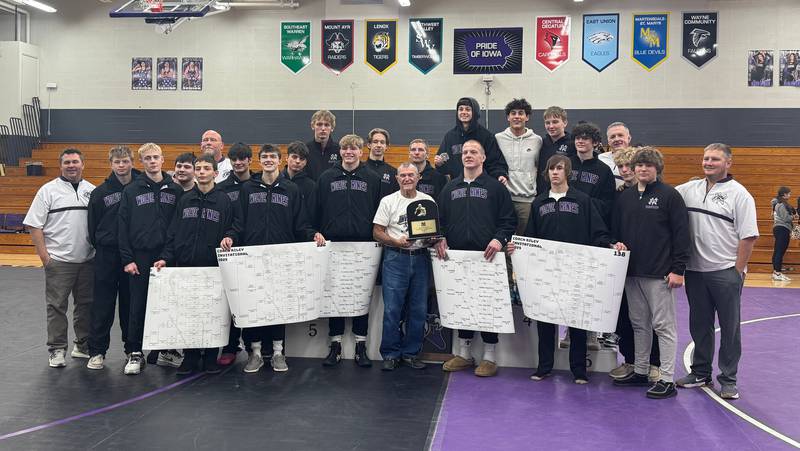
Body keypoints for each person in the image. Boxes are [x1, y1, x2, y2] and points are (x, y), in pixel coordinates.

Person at [508, 154, 610, 384]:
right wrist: (519, 247)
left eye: (559, 168)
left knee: (577, 322)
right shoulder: (539, 202)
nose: (555, 172)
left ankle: (579, 370)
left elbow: (597, 232)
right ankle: (544, 366)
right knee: (545, 320)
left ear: (568, 173)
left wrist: (610, 245)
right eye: (551, 169)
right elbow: (530, 238)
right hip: (547, 272)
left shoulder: (582, 201)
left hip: (575, 270)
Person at [225, 144, 323, 373]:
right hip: (253, 257)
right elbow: (239, 222)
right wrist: (230, 236)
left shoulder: (291, 189)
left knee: (279, 306)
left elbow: (300, 224)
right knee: (255, 305)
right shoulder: (248, 189)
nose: (268, 160)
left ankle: (278, 352)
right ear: (259, 161)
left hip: (281, 259)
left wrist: (313, 234)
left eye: (273, 156)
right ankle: (256, 353)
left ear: (280, 160)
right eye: (265, 157)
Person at [675, 143, 759, 400]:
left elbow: (748, 237)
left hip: (725, 272)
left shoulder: (740, 195)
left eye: (714, 159)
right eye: (705, 158)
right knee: (699, 325)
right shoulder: (688, 190)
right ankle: (700, 372)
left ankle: (729, 379)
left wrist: (737, 271)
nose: (708, 162)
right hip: (695, 272)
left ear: (728, 163)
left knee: (730, 328)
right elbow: (663, 197)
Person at [612, 147, 690, 399]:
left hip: (660, 275)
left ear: (657, 168)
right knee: (638, 324)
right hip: (632, 273)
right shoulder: (624, 197)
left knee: (663, 326)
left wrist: (678, 270)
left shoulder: (670, 196)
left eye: (648, 165)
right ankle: (641, 370)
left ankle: (667, 379)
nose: (643, 169)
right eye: (639, 165)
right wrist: (616, 244)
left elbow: (682, 235)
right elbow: (616, 231)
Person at [435, 139, 516, 377]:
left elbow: (508, 220)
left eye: (474, 152)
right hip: (457, 257)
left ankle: (490, 357)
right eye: (466, 152)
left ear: (483, 158)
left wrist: (498, 239)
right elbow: (440, 221)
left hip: (487, 257)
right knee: (462, 302)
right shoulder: (449, 188)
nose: (468, 155)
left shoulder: (496, 188)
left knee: (487, 304)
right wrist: (440, 237)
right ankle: (464, 353)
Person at [153, 155, 234, 375]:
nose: (201, 172)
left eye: (207, 168)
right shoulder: (185, 199)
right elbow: (173, 233)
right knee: (188, 313)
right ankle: (189, 357)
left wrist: (229, 236)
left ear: (215, 173)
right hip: (186, 266)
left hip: (212, 267)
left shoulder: (224, 201)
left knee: (211, 313)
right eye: (198, 168)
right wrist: (166, 257)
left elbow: (232, 228)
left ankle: (209, 357)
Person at [24, 148, 96, 368]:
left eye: (75, 162)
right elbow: (34, 224)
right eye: (67, 162)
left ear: (83, 164)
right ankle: (57, 349)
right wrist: (45, 257)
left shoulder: (92, 190)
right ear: (60, 165)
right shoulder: (48, 191)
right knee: (56, 306)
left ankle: (82, 345)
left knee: (86, 305)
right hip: (59, 261)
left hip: (88, 260)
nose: (71, 165)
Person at [315, 134, 382, 368]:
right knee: (335, 295)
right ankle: (335, 345)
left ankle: (361, 346)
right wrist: (318, 232)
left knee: (360, 295)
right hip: (334, 246)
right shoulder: (326, 177)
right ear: (340, 152)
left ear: (361, 152)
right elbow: (318, 208)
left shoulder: (372, 178)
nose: (349, 152)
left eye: (354, 148)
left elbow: (378, 212)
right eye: (345, 149)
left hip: (363, 247)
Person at [118, 143, 182, 375]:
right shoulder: (132, 190)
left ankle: (167, 350)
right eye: (147, 158)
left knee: (168, 305)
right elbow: (122, 227)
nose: (152, 161)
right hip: (140, 257)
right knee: (138, 305)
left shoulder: (174, 190)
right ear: (141, 162)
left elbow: (177, 227)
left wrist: (168, 255)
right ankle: (135, 352)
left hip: (166, 257)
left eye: (156, 157)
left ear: (163, 160)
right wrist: (127, 258)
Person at [607, 148, 661, 382]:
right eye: (622, 167)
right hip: (623, 267)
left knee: (651, 318)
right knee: (624, 318)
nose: (626, 171)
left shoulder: (658, 193)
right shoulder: (619, 195)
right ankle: (631, 361)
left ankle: (655, 364)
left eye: (630, 165)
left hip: (650, 266)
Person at [373, 163, 434, 371]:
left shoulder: (428, 201)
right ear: (397, 178)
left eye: (411, 175)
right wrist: (395, 241)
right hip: (395, 257)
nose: (407, 178)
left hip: (420, 258)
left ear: (419, 178)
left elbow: (434, 231)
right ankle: (390, 353)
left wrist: (432, 239)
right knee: (392, 309)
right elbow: (377, 232)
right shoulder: (388, 201)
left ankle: (411, 353)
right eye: (403, 175)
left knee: (418, 309)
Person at [86, 146, 140, 370]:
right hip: (107, 255)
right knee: (102, 305)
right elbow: (92, 227)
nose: (121, 165)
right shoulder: (100, 193)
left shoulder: (140, 189)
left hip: (133, 255)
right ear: (110, 164)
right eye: (117, 162)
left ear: (131, 162)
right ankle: (97, 351)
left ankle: (132, 351)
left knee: (130, 304)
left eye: (125, 161)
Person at [215, 142, 254, 366]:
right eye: (235, 159)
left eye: (243, 159)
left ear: (250, 160)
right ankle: (230, 346)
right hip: (229, 250)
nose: (239, 163)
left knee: (249, 298)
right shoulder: (221, 187)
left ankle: (251, 345)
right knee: (229, 300)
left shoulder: (258, 184)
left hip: (252, 249)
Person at [495, 98, 543, 235]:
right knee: (503, 237)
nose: (517, 116)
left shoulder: (537, 140)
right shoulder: (498, 138)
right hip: (504, 198)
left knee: (524, 241)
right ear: (508, 117)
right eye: (513, 113)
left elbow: (539, 167)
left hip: (527, 200)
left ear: (527, 117)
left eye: (521, 113)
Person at [434, 97, 509, 183]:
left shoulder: (486, 136)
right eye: (461, 109)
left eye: (468, 109)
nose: (464, 112)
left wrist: (500, 174)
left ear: (475, 112)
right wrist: (439, 164)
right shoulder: (450, 136)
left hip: (482, 186)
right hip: (458, 186)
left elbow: (495, 161)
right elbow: (444, 166)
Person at [536, 106, 575, 196]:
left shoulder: (572, 144)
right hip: (542, 194)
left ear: (565, 123)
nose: (551, 126)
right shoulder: (541, 143)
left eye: (555, 122)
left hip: (565, 194)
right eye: (547, 123)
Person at [305, 110, 341, 181]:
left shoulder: (339, 149)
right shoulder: (305, 149)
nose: (323, 128)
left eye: (327, 125)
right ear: (313, 126)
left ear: (332, 128)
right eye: (319, 124)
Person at [365, 128, 400, 198]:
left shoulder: (394, 173)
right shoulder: (360, 169)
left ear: (386, 146)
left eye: (382, 142)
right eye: (375, 142)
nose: (379, 145)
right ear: (369, 145)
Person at [770, 186, 794, 281]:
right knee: (779, 251)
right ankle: (777, 273)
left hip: (780, 228)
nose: (790, 195)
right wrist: (793, 216)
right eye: (789, 193)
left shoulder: (778, 204)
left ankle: (776, 271)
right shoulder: (780, 204)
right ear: (784, 194)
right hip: (782, 229)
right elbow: (786, 218)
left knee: (778, 251)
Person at [599, 122, 632, 188]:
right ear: (608, 141)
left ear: (629, 138)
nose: (616, 139)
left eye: (620, 135)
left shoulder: (639, 158)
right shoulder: (600, 159)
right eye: (612, 137)